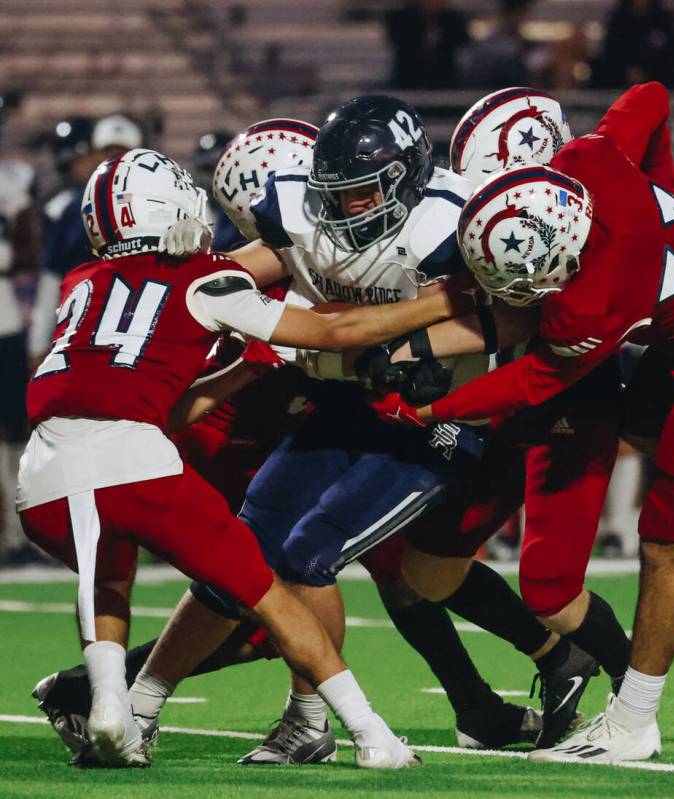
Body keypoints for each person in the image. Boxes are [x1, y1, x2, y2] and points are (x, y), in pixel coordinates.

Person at [97, 97, 597, 762]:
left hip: (434, 423)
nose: (344, 209)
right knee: (234, 553)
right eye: (334, 194)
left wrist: (421, 351)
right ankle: (141, 708)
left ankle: (310, 721)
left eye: (361, 193)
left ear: (405, 178)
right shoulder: (302, 214)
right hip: (344, 403)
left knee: (308, 556)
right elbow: (244, 274)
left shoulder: (451, 223)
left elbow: (520, 319)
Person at [373, 83, 674, 761]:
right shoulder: (593, 158)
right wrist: (661, 190)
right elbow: (651, 95)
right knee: (646, 430)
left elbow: (535, 375)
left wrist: (428, 409)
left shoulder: (591, 300)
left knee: (663, 541)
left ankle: (632, 723)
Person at [17, 146, 475, 768]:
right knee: (269, 592)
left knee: (106, 579)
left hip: (41, 475)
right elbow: (337, 334)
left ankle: (113, 709)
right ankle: (372, 736)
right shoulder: (206, 277)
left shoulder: (83, 283)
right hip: (132, 460)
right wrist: (449, 301)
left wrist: (238, 371)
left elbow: (163, 406)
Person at [28, 114, 143, 367]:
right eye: (106, 151)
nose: (114, 160)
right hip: (85, 328)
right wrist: (38, 341)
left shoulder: (154, 200)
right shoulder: (72, 209)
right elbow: (53, 275)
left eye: (122, 153)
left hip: (141, 324)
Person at [0, 100, 39, 564]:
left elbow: (31, 249)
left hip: (5, 318)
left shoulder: (13, 180)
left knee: (13, 430)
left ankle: (15, 533)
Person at [385, 0, 470, 89]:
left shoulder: (454, 19)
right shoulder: (401, 18)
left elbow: (462, 44)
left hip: (445, 78)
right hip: (408, 77)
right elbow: (402, 43)